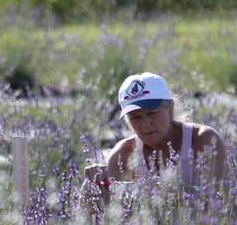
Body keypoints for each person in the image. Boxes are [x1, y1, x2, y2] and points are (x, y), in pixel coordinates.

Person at [83, 72, 226, 197]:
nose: (145, 124)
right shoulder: (124, 153)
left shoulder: (203, 140)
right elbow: (94, 211)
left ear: (170, 108)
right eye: (136, 118)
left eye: (151, 114)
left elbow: (225, 197)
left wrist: (189, 193)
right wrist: (93, 185)